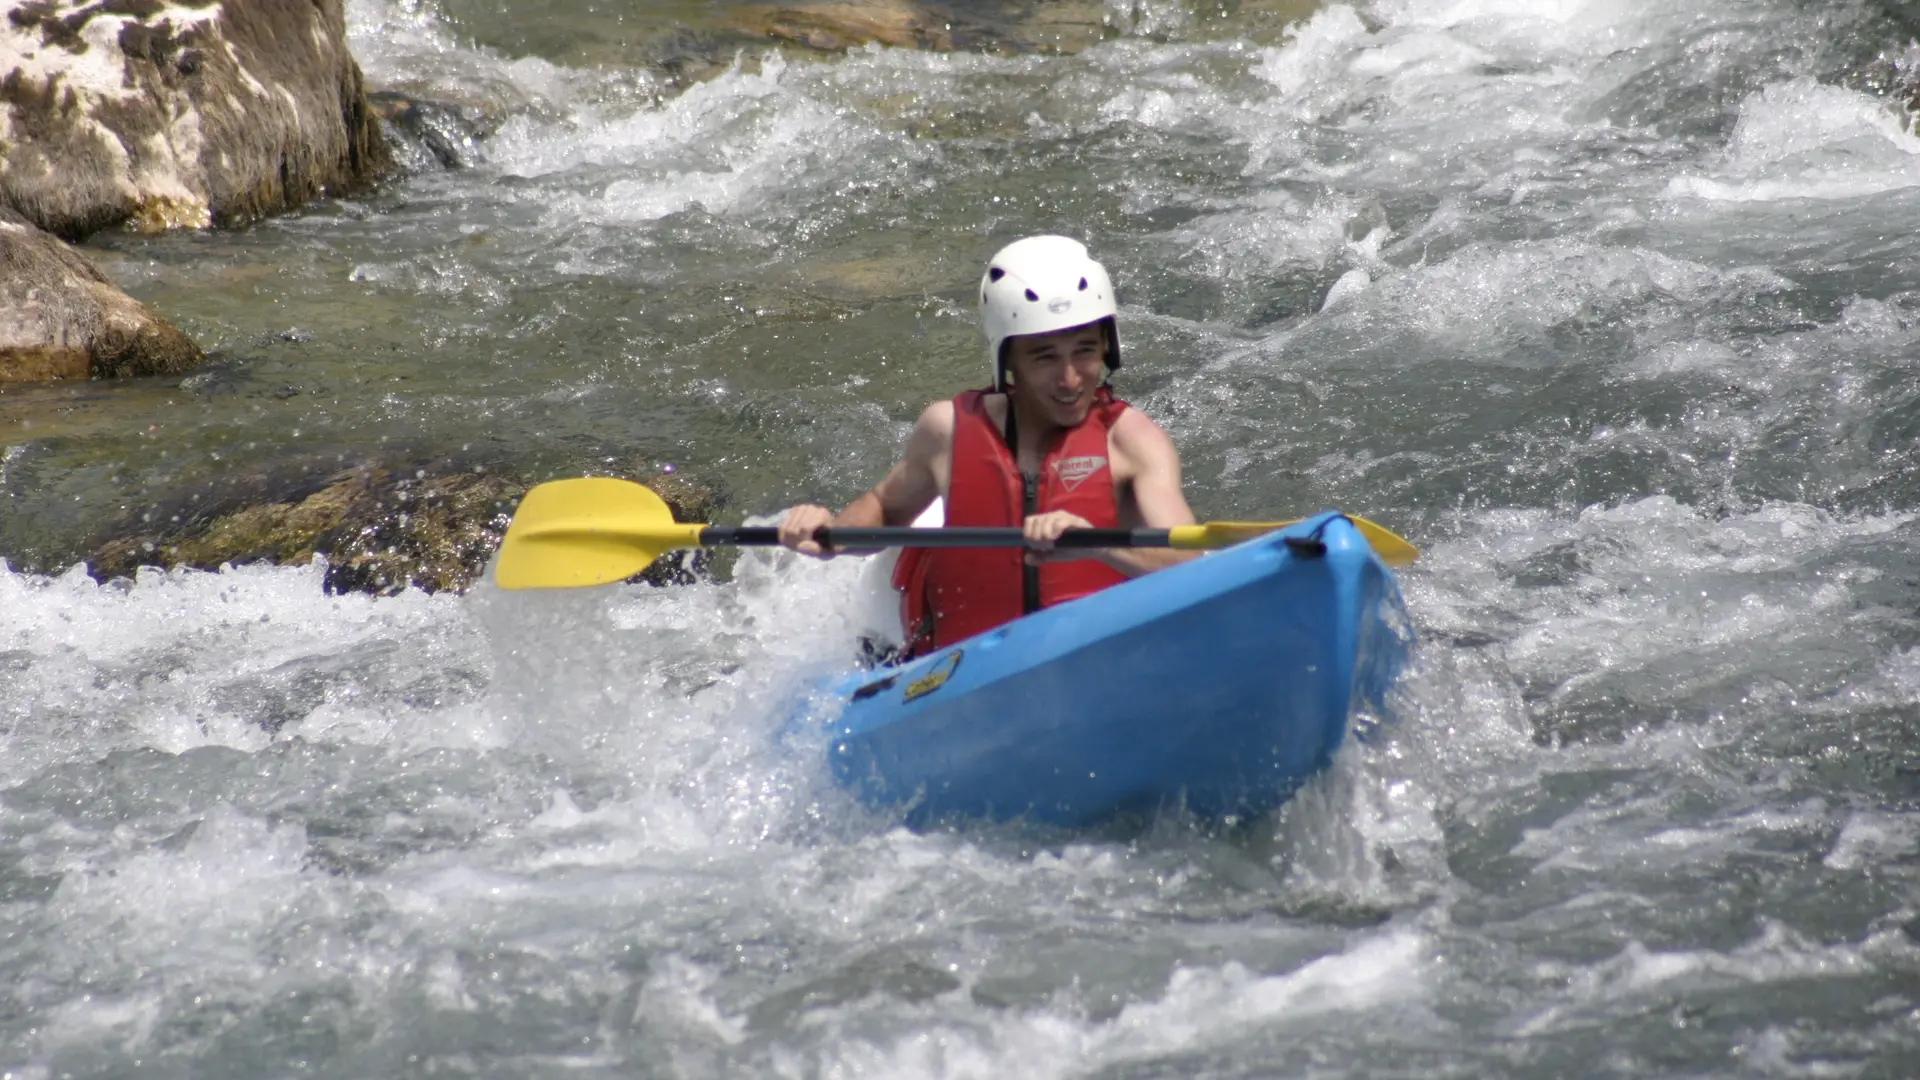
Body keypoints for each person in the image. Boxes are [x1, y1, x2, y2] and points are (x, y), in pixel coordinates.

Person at [778, 235, 1198, 658]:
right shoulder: (948, 431)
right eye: (1045, 357)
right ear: (1008, 359)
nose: (1070, 379)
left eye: (1085, 351)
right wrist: (829, 535)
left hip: (1094, 658)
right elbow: (884, 510)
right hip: (962, 667)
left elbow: (1191, 566)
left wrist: (1101, 545)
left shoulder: (1131, 441)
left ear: (1108, 345)